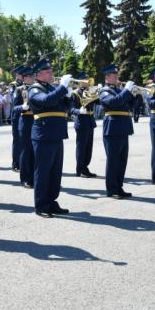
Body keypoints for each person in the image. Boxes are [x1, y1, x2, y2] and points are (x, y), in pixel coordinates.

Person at [27, 58, 72, 217]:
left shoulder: (52, 88)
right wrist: (62, 88)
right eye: (47, 71)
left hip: (57, 133)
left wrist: (69, 95)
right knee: (43, 171)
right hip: (43, 134)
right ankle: (41, 205)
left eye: (51, 70)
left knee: (55, 172)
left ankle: (52, 201)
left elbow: (65, 107)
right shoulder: (34, 89)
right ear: (39, 74)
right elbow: (45, 101)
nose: (51, 73)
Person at [98, 64, 136, 198]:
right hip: (112, 129)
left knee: (122, 161)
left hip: (124, 128)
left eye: (116, 75)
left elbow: (132, 105)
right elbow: (113, 103)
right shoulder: (104, 91)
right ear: (107, 78)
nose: (117, 77)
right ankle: (112, 189)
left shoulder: (120, 90)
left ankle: (119, 187)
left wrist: (135, 94)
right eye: (114, 75)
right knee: (113, 161)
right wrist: (126, 91)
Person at [70, 72, 97, 178]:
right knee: (81, 147)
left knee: (89, 147)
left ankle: (85, 167)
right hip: (81, 121)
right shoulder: (75, 93)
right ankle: (80, 169)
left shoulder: (90, 91)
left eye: (87, 79)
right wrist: (78, 111)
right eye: (84, 80)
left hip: (90, 121)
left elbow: (98, 102)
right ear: (80, 81)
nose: (86, 81)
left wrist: (96, 92)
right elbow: (70, 109)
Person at [15, 67, 35, 188]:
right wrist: (22, 107)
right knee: (26, 151)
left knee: (35, 152)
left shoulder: (37, 89)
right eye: (29, 76)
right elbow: (14, 108)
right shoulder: (19, 90)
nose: (32, 78)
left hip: (36, 121)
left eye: (33, 76)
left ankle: (34, 176)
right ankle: (25, 179)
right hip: (26, 121)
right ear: (24, 78)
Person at [9, 65, 24, 171]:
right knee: (17, 141)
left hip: (24, 115)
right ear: (17, 74)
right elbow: (15, 102)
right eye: (21, 74)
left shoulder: (25, 84)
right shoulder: (14, 85)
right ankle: (16, 164)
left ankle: (23, 162)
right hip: (17, 116)